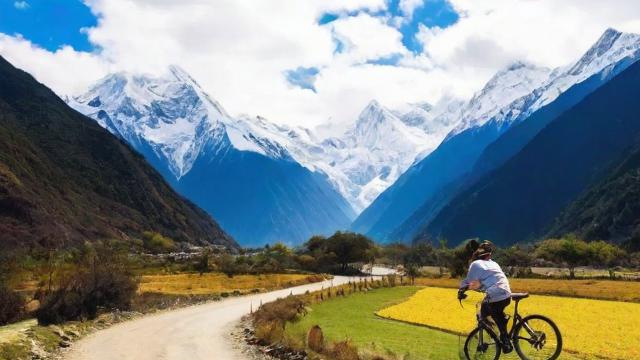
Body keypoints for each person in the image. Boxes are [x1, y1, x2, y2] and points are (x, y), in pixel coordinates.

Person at [458, 241, 513, 353]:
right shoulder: (493, 263)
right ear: (488, 255)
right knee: (493, 310)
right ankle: (502, 329)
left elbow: (470, 282)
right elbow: (483, 282)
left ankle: (504, 340)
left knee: (483, 312)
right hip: (507, 293)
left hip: (496, 294)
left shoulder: (475, 264)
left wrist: (461, 290)